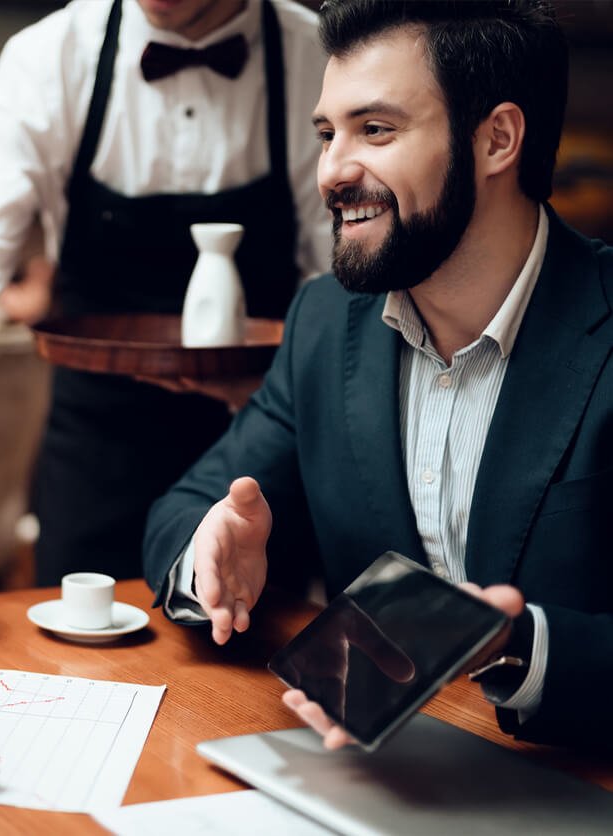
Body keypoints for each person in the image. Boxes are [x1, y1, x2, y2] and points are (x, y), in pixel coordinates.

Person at [143, 0, 612, 749]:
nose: (332, 171)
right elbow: (193, 505)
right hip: (371, 771)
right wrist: (212, 546)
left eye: (376, 130)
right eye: (328, 134)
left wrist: (518, 648)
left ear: (497, 139)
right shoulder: (327, 322)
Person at [0, 0, 332, 586]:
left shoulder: (316, 55)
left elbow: (342, 278)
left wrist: (297, 393)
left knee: (250, 660)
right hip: (96, 444)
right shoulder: (50, 57)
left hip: (258, 436)